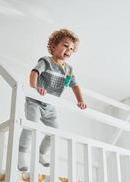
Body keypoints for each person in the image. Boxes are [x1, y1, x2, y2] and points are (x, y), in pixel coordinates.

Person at [18, 28, 87, 171]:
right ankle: (21, 155)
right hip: (35, 101)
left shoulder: (68, 69)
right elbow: (34, 73)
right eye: (65, 45)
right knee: (32, 125)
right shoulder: (46, 61)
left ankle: (41, 154)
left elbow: (75, 86)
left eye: (72, 49)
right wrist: (35, 88)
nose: (69, 50)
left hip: (50, 105)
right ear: (54, 46)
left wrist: (80, 100)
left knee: (55, 132)